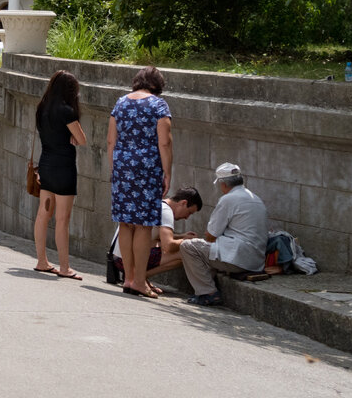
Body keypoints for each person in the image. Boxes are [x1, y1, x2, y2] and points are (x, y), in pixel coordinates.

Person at [108, 66, 172, 299]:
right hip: (147, 169)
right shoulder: (158, 105)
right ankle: (140, 281)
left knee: (125, 223)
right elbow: (164, 143)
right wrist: (167, 172)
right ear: (158, 84)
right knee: (144, 225)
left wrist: (114, 169)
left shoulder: (121, 102)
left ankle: (128, 278)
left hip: (122, 167)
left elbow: (110, 141)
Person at [179, 163, 268, 306]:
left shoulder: (228, 199)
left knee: (188, 246)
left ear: (224, 184)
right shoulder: (255, 198)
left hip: (238, 259)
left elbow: (211, 235)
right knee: (209, 248)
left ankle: (208, 293)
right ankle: (208, 287)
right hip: (256, 261)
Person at [31, 70, 88, 280]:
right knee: (62, 219)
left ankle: (42, 261)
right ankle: (65, 267)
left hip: (45, 165)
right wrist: (72, 138)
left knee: (42, 215)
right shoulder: (66, 111)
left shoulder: (42, 108)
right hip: (64, 168)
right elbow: (81, 139)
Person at [111, 187, 203, 293]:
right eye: (189, 212)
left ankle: (136, 278)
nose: (187, 217)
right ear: (183, 203)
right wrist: (191, 242)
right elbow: (168, 246)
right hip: (125, 262)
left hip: (119, 259)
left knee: (157, 244)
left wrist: (182, 236)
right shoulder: (166, 212)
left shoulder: (158, 204)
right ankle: (138, 278)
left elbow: (156, 237)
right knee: (186, 252)